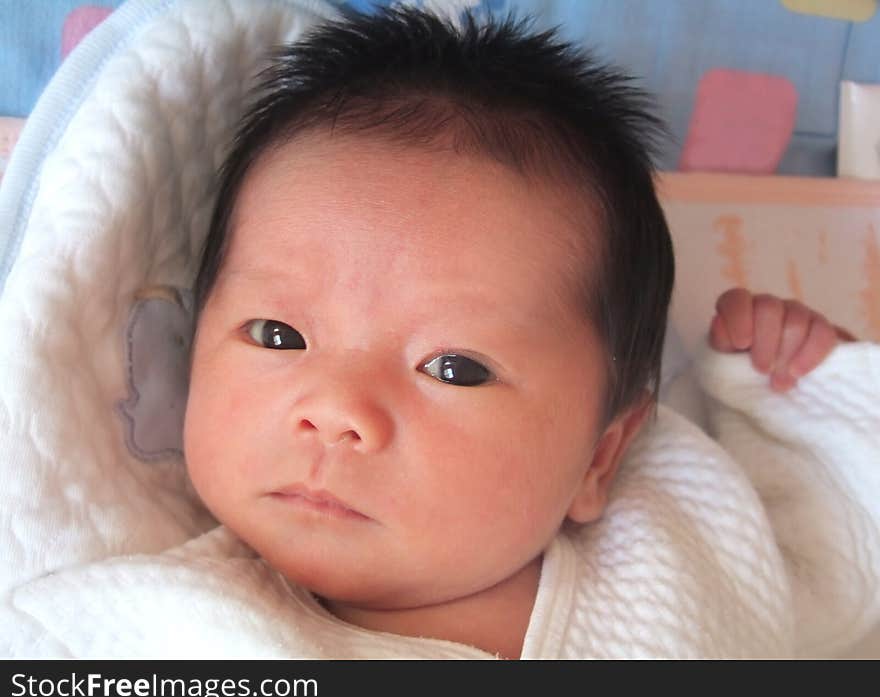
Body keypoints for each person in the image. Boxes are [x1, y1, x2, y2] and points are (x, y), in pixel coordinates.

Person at [177, 7, 878, 659]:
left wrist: (807, 392)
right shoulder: (165, 617)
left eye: (454, 368)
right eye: (275, 334)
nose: (335, 410)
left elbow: (842, 555)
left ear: (600, 458)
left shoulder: (675, 537)